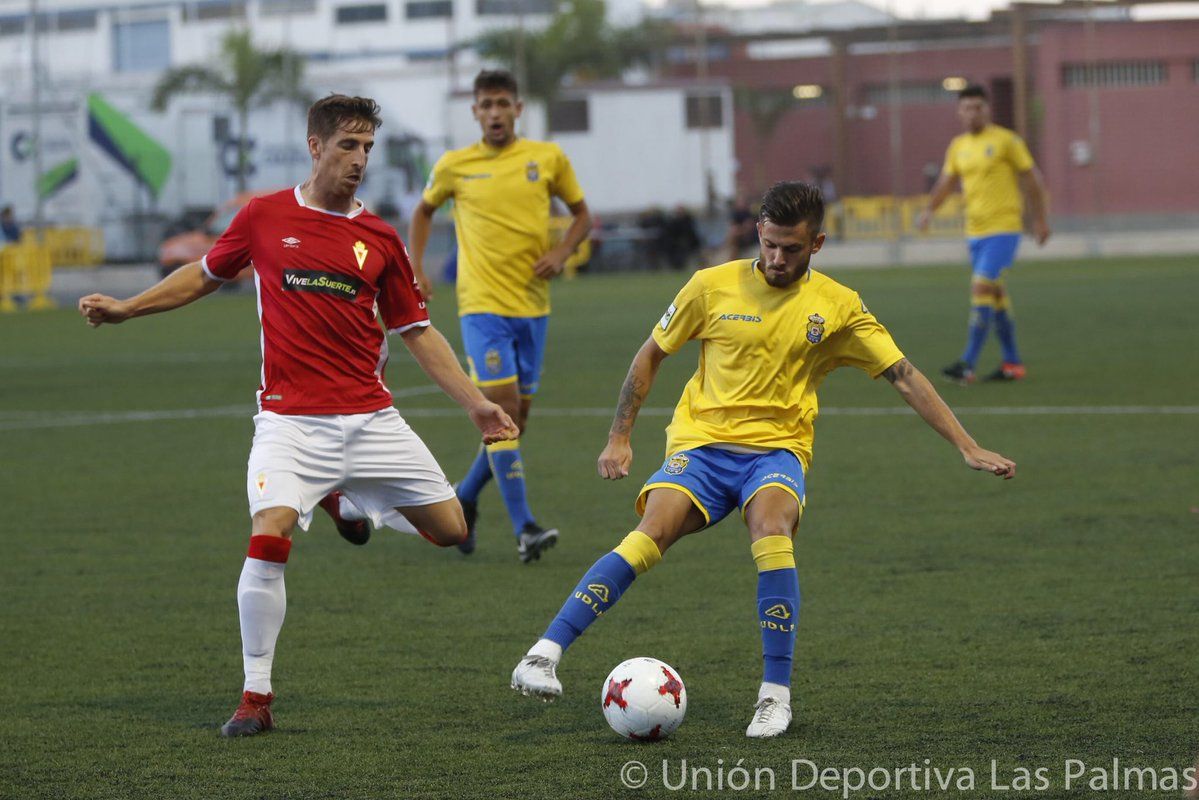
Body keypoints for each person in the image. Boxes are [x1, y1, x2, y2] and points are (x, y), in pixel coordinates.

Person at [78, 95, 518, 738]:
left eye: (368, 148)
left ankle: (348, 500)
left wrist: (476, 402)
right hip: (289, 423)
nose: (360, 159)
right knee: (270, 532)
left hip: (371, 420)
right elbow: (202, 276)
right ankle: (255, 698)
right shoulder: (262, 217)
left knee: (453, 530)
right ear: (315, 147)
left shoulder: (380, 238)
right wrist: (127, 308)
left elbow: (417, 332)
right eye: (348, 145)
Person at [510, 182, 1016, 738]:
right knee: (649, 531)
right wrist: (619, 436)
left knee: (772, 529)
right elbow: (651, 353)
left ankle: (775, 696)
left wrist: (966, 445)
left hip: (777, 451)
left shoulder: (838, 306)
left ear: (817, 243)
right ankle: (542, 654)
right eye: (770, 244)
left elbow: (904, 376)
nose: (777, 258)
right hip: (700, 445)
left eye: (792, 248)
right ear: (758, 232)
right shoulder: (710, 286)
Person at [407, 69, 592, 562]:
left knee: (516, 423)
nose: (494, 113)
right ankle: (525, 528)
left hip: (533, 307)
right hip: (482, 306)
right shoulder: (454, 165)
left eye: (502, 103)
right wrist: (417, 267)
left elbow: (582, 215)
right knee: (503, 414)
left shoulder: (546, 158)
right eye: (485, 105)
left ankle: (463, 500)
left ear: (518, 108)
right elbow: (423, 212)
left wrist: (563, 252)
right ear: (474, 112)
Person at [916, 84, 1051, 385]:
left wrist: (1040, 219)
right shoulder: (958, 146)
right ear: (959, 112)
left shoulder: (1006, 141)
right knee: (996, 296)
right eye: (967, 108)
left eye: (978, 107)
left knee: (981, 288)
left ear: (987, 109)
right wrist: (928, 211)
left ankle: (968, 363)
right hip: (974, 233)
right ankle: (1012, 364)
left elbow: (1033, 180)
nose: (972, 113)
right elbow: (946, 183)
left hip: (1004, 229)